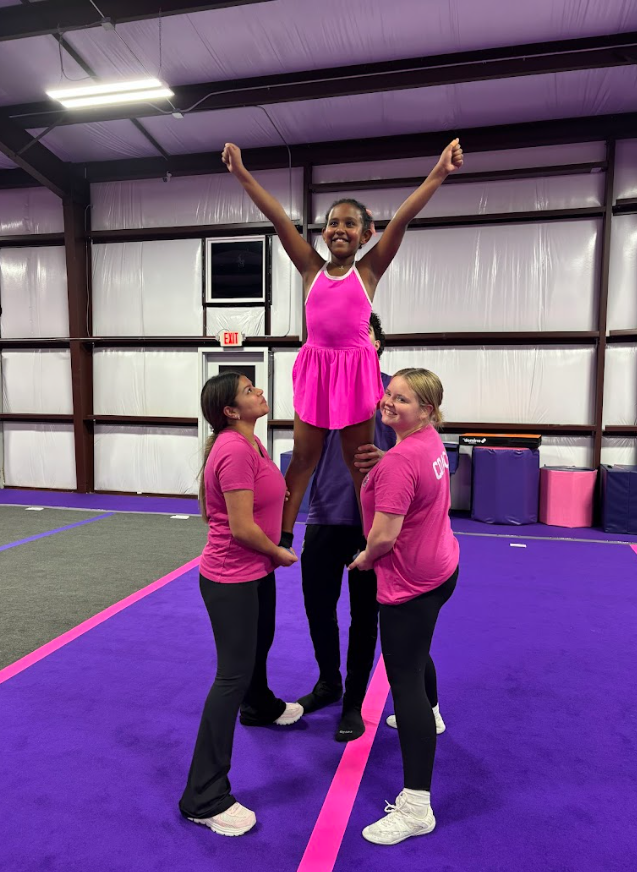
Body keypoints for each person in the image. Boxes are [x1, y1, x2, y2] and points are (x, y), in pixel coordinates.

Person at [221, 139, 464, 551]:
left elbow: (403, 218)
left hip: (354, 372)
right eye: (333, 223)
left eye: (350, 224)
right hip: (317, 370)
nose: (339, 229)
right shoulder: (310, 269)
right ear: (323, 232)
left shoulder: (368, 272)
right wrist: (243, 174)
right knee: (303, 460)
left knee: (360, 462)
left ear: (366, 234)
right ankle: (282, 537)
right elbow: (277, 216)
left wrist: (439, 172)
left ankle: (369, 539)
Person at [179, 372, 303, 838]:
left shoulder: (253, 443)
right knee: (231, 676)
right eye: (249, 391)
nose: (260, 392)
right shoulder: (233, 449)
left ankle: (260, 706)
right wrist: (278, 552)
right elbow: (240, 528)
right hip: (231, 577)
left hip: (256, 572)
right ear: (230, 411)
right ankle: (203, 796)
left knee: (259, 646)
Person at [349, 368, 460, 846]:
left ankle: (417, 807)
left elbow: (383, 537)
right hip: (441, 568)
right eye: (389, 394)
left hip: (410, 582)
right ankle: (432, 713)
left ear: (427, 410)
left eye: (403, 400)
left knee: (404, 679)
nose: (389, 403)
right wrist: (388, 464)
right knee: (417, 652)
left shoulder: (399, 462)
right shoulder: (429, 442)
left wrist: (364, 558)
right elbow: (410, 478)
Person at [297, 312, 395, 743]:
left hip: (370, 522)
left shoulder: (392, 394)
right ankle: (328, 682)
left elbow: (418, 448)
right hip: (324, 514)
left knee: (364, 616)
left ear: (376, 344)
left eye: (362, 333)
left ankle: (353, 700)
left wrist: (388, 459)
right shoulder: (324, 391)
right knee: (318, 607)